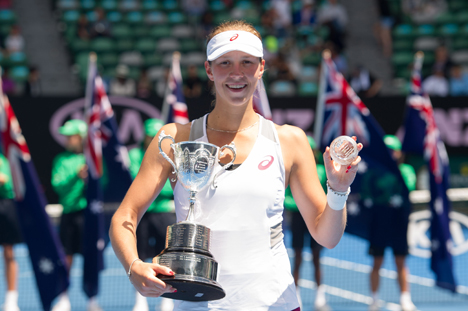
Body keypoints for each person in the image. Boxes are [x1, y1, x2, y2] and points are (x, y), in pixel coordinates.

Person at [109, 20, 362, 310]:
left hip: (275, 303)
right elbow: (124, 216)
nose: (237, 74)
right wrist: (133, 266)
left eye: (247, 63)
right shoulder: (173, 138)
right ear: (208, 69)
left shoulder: (290, 140)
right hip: (197, 304)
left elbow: (326, 236)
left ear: (262, 67)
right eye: (225, 63)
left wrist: (339, 190)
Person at [51, 120, 102, 311]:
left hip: (89, 216)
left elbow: (103, 184)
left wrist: (93, 177)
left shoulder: (93, 158)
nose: (66, 139)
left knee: (91, 258)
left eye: (70, 136)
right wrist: (76, 175)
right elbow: (57, 185)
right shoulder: (60, 160)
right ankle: (63, 298)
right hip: (68, 215)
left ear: (80, 138)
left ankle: (92, 301)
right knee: (66, 258)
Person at [129, 119, 176, 311]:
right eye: (151, 135)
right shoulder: (133, 154)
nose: (153, 139)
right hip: (143, 213)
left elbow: (171, 183)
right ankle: (140, 300)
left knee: (166, 257)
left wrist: (155, 188)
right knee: (139, 257)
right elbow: (137, 179)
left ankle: (167, 298)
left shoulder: (172, 153)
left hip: (164, 213)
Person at [365, 135, 416, 311]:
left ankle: (405, 299)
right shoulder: (374, 171)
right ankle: (374, 300)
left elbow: (407, 186)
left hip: (399, 222)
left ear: (399, 153)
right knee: (376, 262)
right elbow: (367, 191)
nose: (390, 154)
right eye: (387, 151)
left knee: (400, 262)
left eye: (393, 150)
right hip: (379, 222)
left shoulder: (407, 170)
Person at [285, 136, 328, 310]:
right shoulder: (292, 169)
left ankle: (320, 296)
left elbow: (325, 196)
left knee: (317, 258)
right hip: (297, 218)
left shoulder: (322, 171)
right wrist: (299, 205)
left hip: (316, 218)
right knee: (298, 258)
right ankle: (297, 296)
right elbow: (287, 197)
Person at [0, 153, 22, 311]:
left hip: (6, 208)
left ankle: (11, 299)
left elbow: (7, 181)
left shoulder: (6, 159)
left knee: (9, 252)